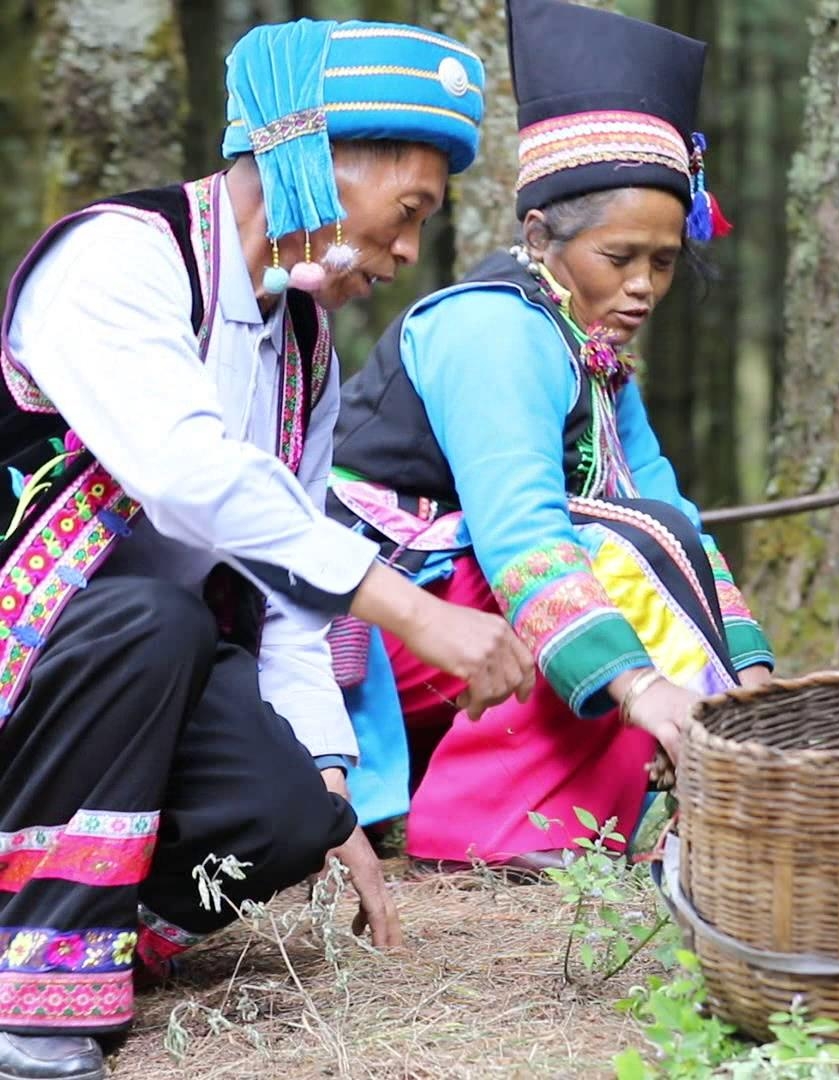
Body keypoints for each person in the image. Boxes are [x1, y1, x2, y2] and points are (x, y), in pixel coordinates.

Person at [0, 19, 534, 1080]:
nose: (403, 254)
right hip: (44, 660)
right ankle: (36, 993)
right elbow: (192, 475)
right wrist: (416, 610)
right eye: (408, 212)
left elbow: (289, 587)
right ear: (314, 159)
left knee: (288, 814)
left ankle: (79, 916)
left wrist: (328, 789)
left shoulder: (303, 351)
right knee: (156, 619)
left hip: (135, 680)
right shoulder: (118, 256)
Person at [325, 0, 774, 873]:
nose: (644, 286)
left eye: (665, 261)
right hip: (375, 618)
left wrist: (744, 681)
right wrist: (642, 683)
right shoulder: (493, 332)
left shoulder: (594, 350)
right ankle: (494, 826)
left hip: (459, 596)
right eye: (620, 258)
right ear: (540, 235)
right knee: (592, 583)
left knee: (632, 549)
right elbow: (524, 533)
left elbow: (666, 518)